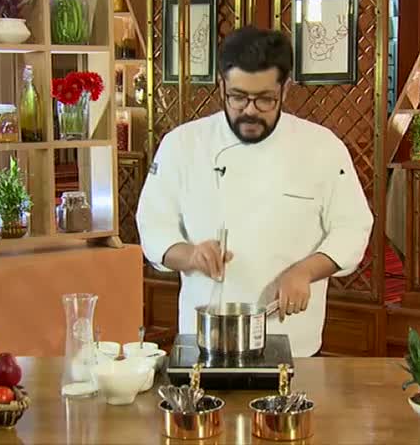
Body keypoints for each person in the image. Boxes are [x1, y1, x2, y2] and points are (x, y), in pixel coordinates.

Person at [135, 26, 373, 357]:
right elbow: (153, 225)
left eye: (264, 99)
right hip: (204, 337)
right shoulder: (182, 144)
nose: (249, 110)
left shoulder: (322, 147)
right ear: (222, 86)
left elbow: (352, 227)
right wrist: (189, 255)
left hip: (290, 338)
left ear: (284, 89)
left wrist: (305, 271)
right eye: (237, 97)